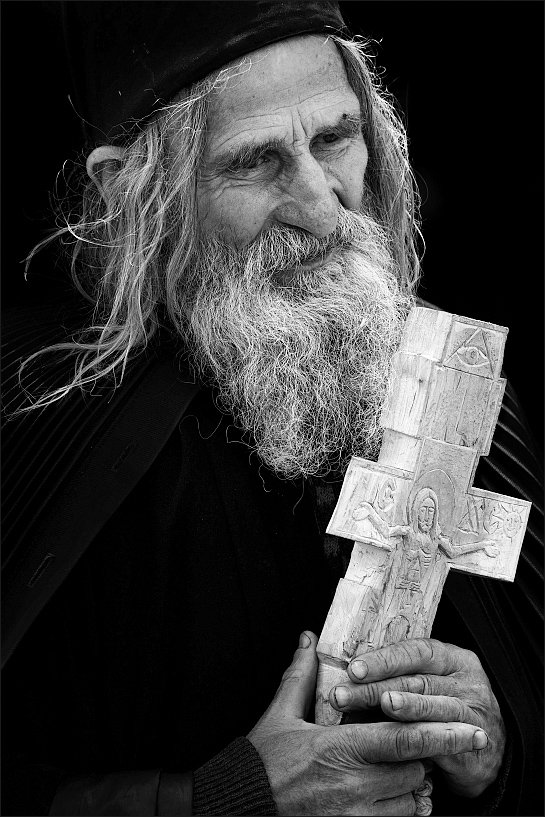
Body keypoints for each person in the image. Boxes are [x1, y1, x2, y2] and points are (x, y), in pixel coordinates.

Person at [2, 2, 542, 815]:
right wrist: (224, 800)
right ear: (128, 191)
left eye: (334, 139)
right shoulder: (28, 404)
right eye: (255, 161)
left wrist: (496, 749)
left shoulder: (448, 385)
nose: (321, 207)